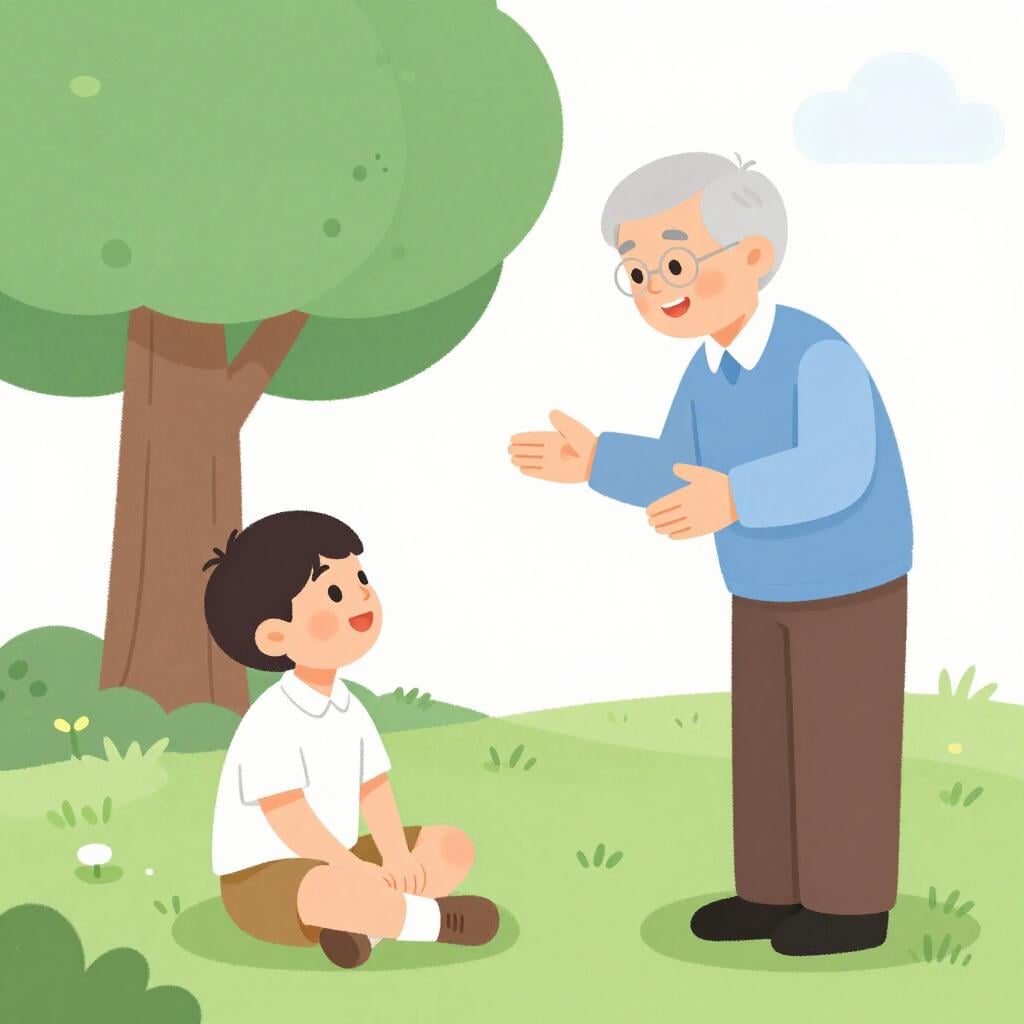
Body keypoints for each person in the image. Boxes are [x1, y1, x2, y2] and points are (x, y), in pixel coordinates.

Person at [509, 152, 913, 957]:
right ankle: (770, 891)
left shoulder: (817, 354)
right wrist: (596, 461)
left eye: (673, 264)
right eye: (635, 272)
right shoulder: (708, 369)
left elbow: (838, 467)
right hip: (758, 583)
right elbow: (678, 464)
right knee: (766, 743)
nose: (654, 288)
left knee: (838, 744)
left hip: (848, 586)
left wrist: (734, 499)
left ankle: (849, 905)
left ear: (754, 255)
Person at [204, 510, 499, 969]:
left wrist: (397, 858)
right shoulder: (272, 720)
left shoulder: (348, 707)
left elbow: (373, 787)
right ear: (276, 636)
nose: (360, 597)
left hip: (340, 856)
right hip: (264, 880)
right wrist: (354, 868)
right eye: (334, 593)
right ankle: (435, 922)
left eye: (360, 579)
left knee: (449, 847)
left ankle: (367, 929)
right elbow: (289, 818)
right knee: (327, 890)